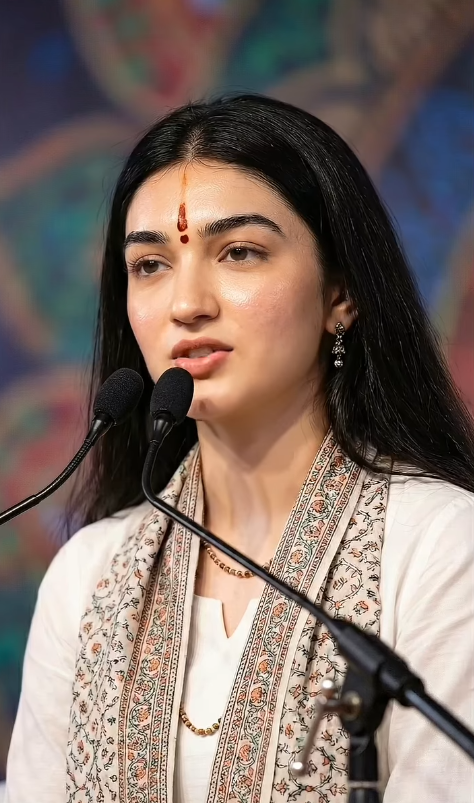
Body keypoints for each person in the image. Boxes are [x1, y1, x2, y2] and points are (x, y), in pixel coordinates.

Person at [5, 94, 474, 803]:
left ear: (341, 292)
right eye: (150, 265)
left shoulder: (438, 545)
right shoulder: (88, 576)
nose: (186, 303)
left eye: (239, 253)